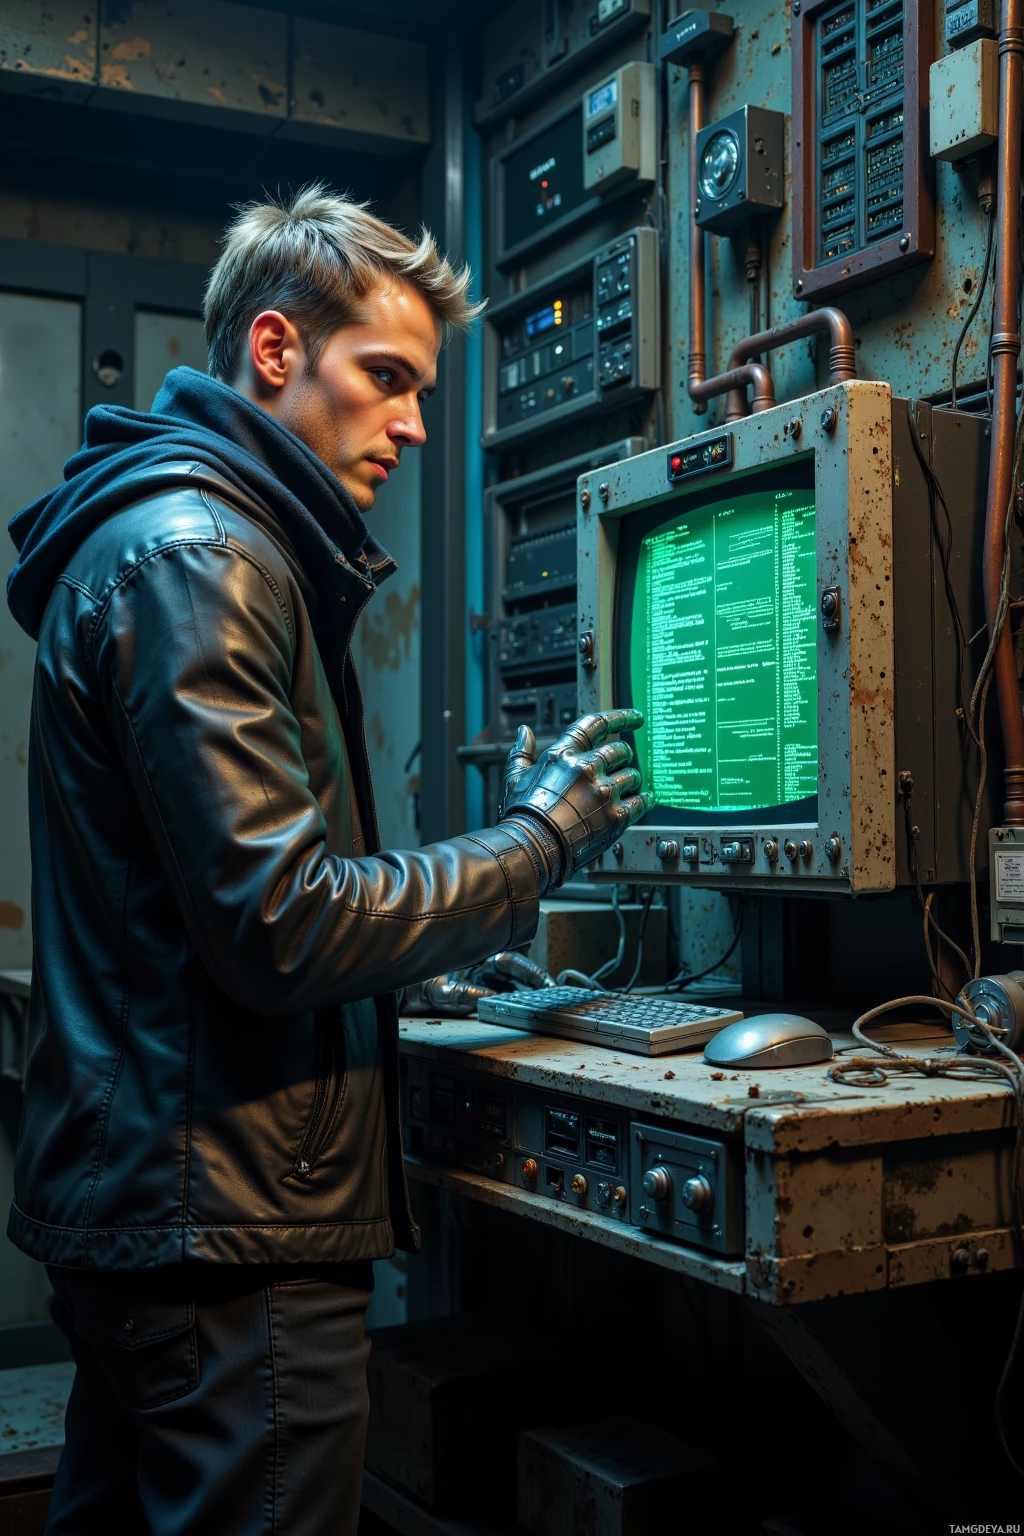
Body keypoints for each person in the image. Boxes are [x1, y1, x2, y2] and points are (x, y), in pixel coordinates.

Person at [5, 185, 649, 1535]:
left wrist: (404, 971)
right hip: (228, 1226)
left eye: (421, 390)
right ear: (276, 349)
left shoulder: (174, 538)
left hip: (160, 1205)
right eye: (386, 377)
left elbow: (206, 913)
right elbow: (282, 923)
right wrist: (539, 841)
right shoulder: (206, 559)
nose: (412, 424)